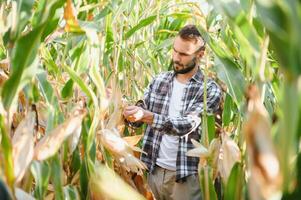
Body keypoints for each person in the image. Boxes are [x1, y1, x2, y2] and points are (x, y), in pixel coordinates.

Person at [123, 25, 222, 200]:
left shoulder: (209, 90)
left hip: (185, 176)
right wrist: (124, 109)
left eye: (183, 54)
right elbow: (140, 115)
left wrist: (147, 116)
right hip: (153, 170)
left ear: (200, 54)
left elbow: (187, 124)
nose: (176, 58)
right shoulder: (160, 80)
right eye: (174, 51)